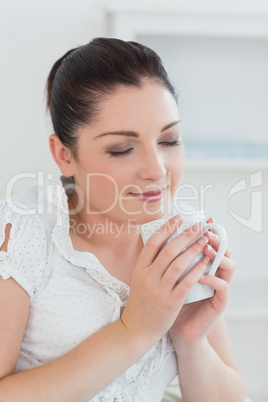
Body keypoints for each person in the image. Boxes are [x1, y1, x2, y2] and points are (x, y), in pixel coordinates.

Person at [0, 37, 246, 401]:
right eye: (123, 149)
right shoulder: (22, 234)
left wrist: (190, 339)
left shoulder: (180, 236)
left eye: (169, 140)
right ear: (64, 155)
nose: (156, 169)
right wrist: (135, 328)